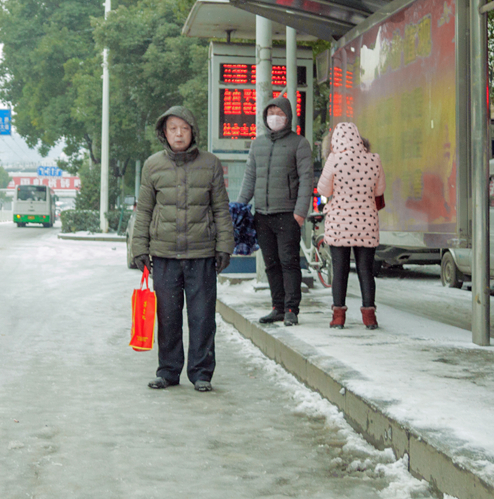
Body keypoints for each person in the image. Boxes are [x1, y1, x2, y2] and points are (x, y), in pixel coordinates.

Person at [131, 106, 234, 392]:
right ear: (164, 133)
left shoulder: (211, 164)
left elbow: (221, 209)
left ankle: (201, 373)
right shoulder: (152, 165)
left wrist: (225, 244)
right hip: (164, 255)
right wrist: (139, 248)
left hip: (201, 255)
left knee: (202, 318)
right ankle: (168, 371)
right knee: (167, 317)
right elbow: (144, 212)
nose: (178, 133)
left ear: (193, 131)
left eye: (184, 128)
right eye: (173, 128)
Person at [236, 96, 313, 326]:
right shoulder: (257, 144)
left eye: (279, 113)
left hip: (288, 214)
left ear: (288, 116)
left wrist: (300, 212)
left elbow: (306, 180)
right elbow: (250, 177)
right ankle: (277, 307)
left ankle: (291, 308)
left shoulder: (299, 143)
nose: (275, 117)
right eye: (271, 112)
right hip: (262, 215)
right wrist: (240, 206)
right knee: (270, 263)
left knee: (288, 261)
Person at [316, 122, 386, 329]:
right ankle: (369, 317)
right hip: (366, 222)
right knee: (365, 269)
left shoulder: (334, 159)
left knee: (340, 270)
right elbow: (379, 190)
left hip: (339, 223)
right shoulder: (374, 159)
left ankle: (338, 317)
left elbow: (323, 190)